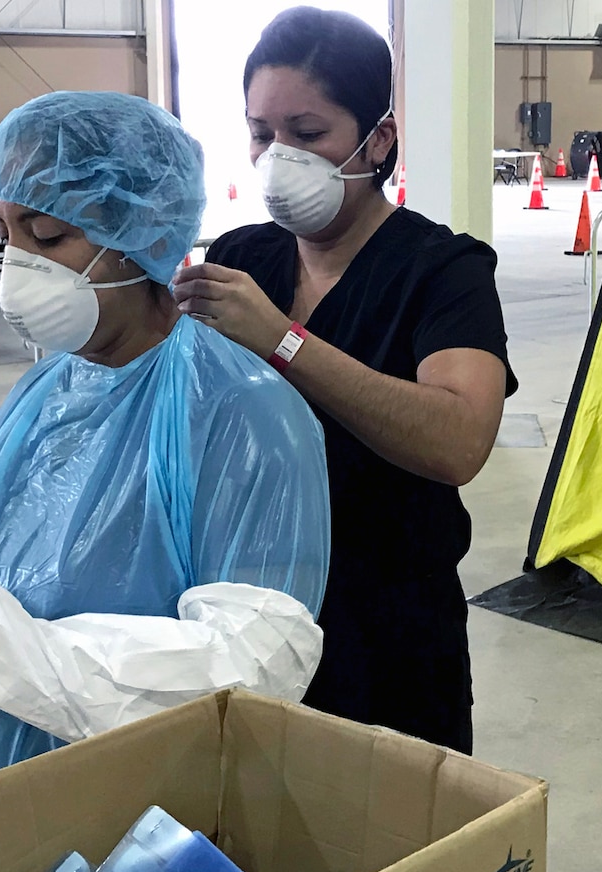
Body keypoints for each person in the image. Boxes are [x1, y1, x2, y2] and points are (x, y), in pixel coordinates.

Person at [0, 91, 332, 790]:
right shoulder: (46, 389)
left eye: (49, 237)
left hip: (143, 829)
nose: (19, 266)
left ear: (140, 231)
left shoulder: (240, 413)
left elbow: (253, 665)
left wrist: (0, 645)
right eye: (6, 233)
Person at [172, 7, 516, 754]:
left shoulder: (441, 270)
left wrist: (282, 340)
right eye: (261, 133)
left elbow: (458, 440)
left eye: (307, 132)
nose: (277, 156)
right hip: (249, 615)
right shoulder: (242, 257)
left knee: (388, 846)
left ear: (377, 139)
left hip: (387, 629)